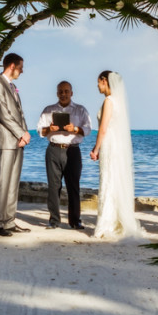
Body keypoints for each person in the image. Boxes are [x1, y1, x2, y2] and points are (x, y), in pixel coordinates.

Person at [90, 70, 143, 240]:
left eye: (98, 82)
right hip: (117, 146)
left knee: (108, 181)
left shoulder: (109, 101)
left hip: (109, 147)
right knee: (115, 180)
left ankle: (107, 223)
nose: (97, 86)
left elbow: (103, 128)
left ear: (104, 81)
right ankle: (116, 220)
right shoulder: (119, 101)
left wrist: (96, 149)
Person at [0, 53, 31, 237]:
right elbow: (4, 114)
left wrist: (25, 134)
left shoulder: (12, 86)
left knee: (13, 183)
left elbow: (19, 114)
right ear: (12, 66)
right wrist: (21, 132)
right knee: (3, 182)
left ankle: (9, 221)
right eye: (21, 67)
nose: (22, 70)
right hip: (5, 141)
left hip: (17, 141)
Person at [37, 81, 92, 230]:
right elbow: (40, 131)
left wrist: (74, 129)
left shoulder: (81, 110)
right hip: (53, 150)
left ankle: (75, 221)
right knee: (53, 187)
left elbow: (87, 130)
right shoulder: (49, 110)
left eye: (66, 91)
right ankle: (54, 221)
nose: (63, 94)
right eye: (60, 91)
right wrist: (50, 129)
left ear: (71, 93)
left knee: (73, 186)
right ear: (57, 93)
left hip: (73, 150)